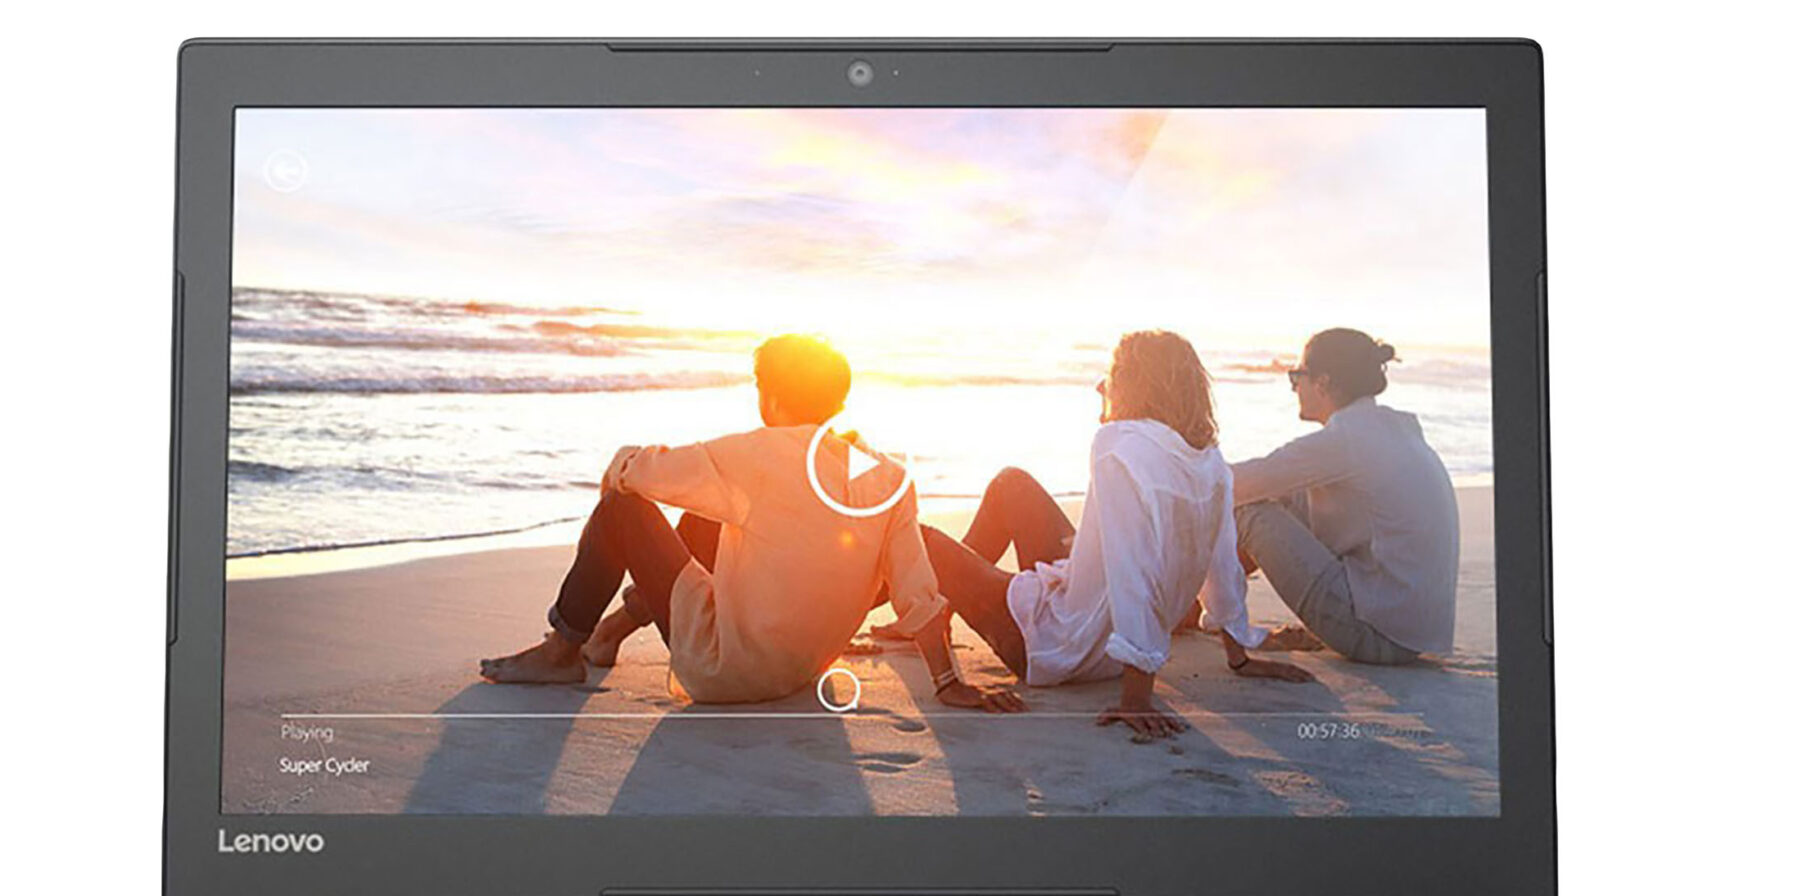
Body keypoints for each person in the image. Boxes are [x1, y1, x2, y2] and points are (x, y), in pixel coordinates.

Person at [479, 333, 1025, 713]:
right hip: (804, 666)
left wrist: (617, 471)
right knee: (708, 517)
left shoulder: (755, 454)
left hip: (724, 670)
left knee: (623, 511)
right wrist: (948, 682)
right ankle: (609, 633)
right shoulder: (889, 476)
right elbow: (917, 591)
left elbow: (643, 474)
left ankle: (563, 648)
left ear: (772, 396)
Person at [913, 330, 1312, 744]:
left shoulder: (1118, 445)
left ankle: (926, 623)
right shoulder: (1209, 460)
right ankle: (934, 609)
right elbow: (1222, 565)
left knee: (919, 539)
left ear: (1136, 383)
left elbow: (1131, 568)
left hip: (1055, 649)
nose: (1101, 385)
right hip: (1109, 647)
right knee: (1012, 485)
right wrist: (1239, 656)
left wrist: (1136, 697)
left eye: (1114, 372)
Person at [1230, 328, 1459, 664]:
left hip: (1378, 635)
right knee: (1283, 494)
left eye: (1297, 376)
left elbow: (1233, 484)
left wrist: (1173, 469)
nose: (1294, 387)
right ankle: (1201, 610)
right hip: (1411, 631)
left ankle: (1206, 616)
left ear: (1322, 382)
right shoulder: (1390, 429)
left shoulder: (1347, 438)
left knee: (1248, 509)